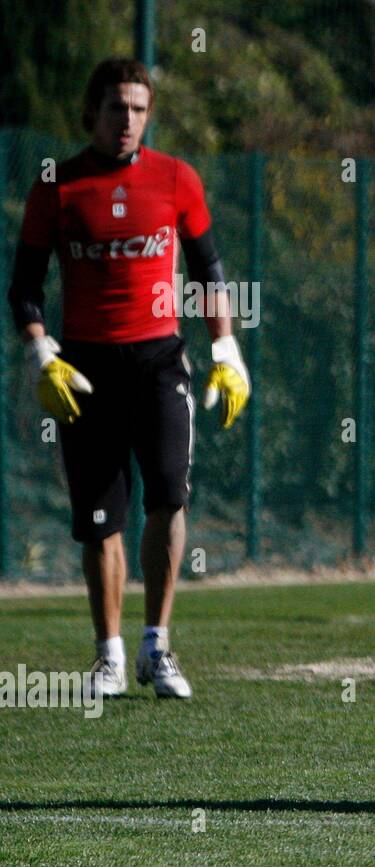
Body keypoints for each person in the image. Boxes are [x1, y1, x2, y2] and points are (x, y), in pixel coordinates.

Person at [6, 58, 250, 699]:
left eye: (139, 109)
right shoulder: (57, 184)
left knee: (170, 495)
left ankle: (156, 647)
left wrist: (226, 350)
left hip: (159, 362)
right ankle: (108, 655)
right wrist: (40, 354)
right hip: (85, 369)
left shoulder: (176, 178)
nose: (128, 120)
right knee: (100, 518)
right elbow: (24, 289)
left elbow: (209, 272)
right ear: (92, 112)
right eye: (117, 107)